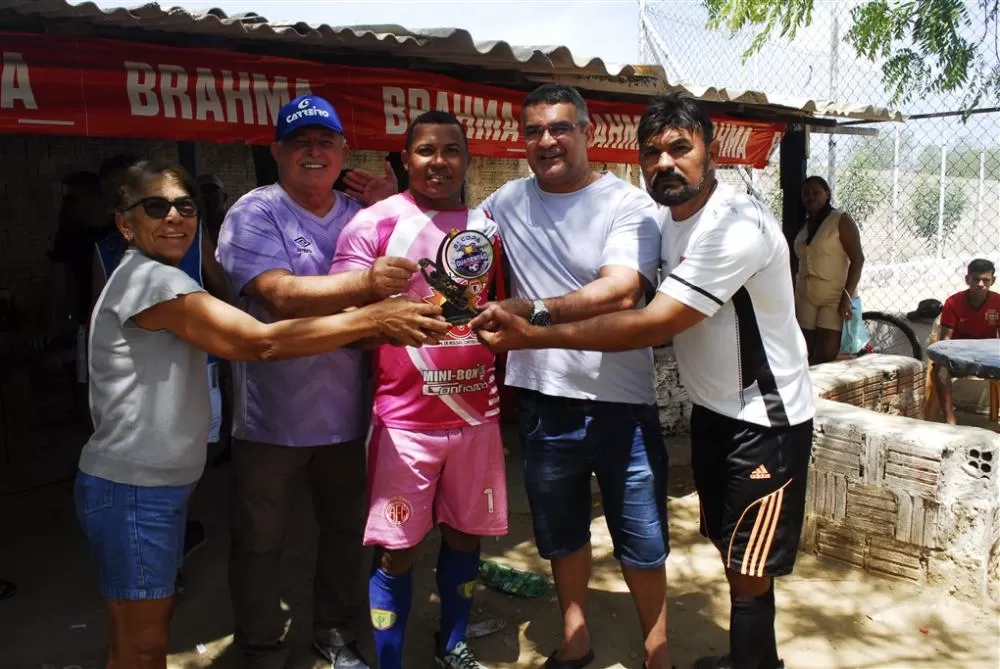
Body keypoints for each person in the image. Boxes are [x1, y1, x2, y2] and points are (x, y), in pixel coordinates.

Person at [475, 94, 815, 669]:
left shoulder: (737, 225)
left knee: (749, 567)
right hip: (714, 411)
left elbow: (652, 321)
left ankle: (754, 664)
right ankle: (750, 659)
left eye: (680, 148)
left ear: (711, 151)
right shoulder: (668, 219)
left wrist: (532, 332)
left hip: (765, 418)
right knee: (731, 549)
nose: (665, 163)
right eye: (652, 153)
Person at [75, 159, 447, 669]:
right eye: (155, 207)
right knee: (143, 644)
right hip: (135, 490)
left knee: (134, 639)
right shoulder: (153, 281)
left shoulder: (155, 276)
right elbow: (260, 341)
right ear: (125, 223)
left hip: (143, 485)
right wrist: (372, 316)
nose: (174, 218)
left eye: (185, 207)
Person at [468, 83, 668, 669]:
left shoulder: (627, 204)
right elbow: (457, 238)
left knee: (642, 536)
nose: (547, 141)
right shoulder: (507, 200)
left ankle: (657, 651)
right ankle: (575, 637)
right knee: (561, 530)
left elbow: (622, 289)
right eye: (533, 131)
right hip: (544, 399)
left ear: (587, 132)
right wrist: (398, 203)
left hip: (621, 401)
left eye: (560, 127)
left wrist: (532, 312)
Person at [215, 93, 403, 669]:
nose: (313, 152)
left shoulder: (361, 214)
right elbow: (279, 295)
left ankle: (335, 632)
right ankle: (260, 645)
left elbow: (416, 273)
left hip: (348, 414)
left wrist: (393, 208)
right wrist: (367, 293)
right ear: (277, 152)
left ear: (344, 151)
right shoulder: (255, 212)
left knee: (346, 532)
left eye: (326, 141)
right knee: (259, 539)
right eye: (300, 143)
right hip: (271, 417)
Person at [330, 111, 507, 669]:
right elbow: (339, 324)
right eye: (426, 150)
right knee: (397, 550)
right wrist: (387, 322)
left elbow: (502, 310)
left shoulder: (487, 227)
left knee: (466, 538)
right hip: (405, 423)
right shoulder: (375, 223)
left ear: (467, 159)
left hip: (477, 418)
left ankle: (452, 645)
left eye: (451, 150)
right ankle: (390, 661)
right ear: (405, 159)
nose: (439, 161)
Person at [792, 175, 865, 364]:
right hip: (804, 294)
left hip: (834, 297)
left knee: (826, 353)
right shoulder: (804, 224)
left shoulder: (840, 220)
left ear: (827, 193)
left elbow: (858, 259)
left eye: (816, 192)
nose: (810, 197)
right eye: (806, 194)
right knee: (803, 352)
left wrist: (846, 298)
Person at [932, 258, 1000, 425]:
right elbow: (945, 340)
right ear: (967, 279)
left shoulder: (998, 301)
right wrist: (946, 358)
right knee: (940, 370)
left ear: (993, 280)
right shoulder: (953, 302)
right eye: (976, 279)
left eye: (986, 280)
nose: (981, 284)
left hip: (988, 357)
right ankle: (950, 420)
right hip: (959, 356)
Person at [198, 173, 229, 244]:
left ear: (224, 197)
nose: (209, 198)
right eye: (203, 194)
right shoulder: (194, 229)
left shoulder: (235, 226)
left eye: (214, 193)